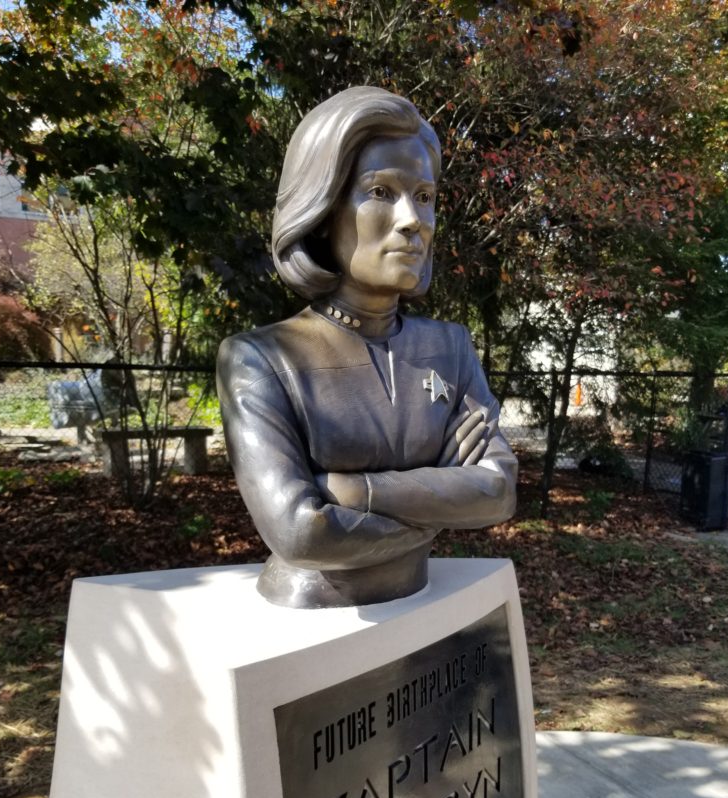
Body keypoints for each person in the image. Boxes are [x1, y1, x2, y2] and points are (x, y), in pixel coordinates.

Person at [217, 86, 517, 608]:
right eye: (381, 191)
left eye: (424, 197)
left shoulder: (450, 347)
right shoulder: (262, 359)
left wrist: (355, 492)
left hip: (418, 594)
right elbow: (301, 533)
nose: (413, 220)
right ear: (323, 206)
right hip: (311, 608)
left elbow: (497, 489)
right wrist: (441, 502)